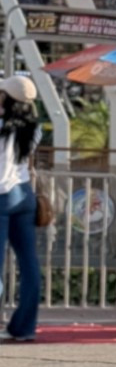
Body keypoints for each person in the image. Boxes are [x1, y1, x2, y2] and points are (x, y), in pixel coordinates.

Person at [0, 75, 42, 343]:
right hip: (25, 195)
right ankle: (24, 328)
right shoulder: (34, 128)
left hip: (2, 195)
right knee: (29, 264)